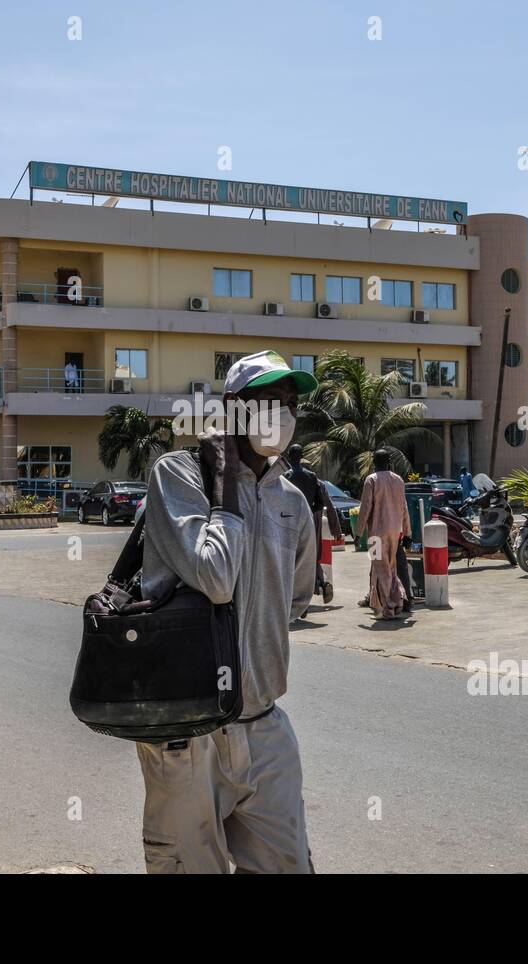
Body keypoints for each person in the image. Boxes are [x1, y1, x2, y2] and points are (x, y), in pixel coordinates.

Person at [136, 350, 318, 873]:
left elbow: (295, 601)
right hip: (188, 733)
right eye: (267, 400)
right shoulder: (178, 476)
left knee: (288, 864)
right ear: (233, 408)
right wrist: (228, 488)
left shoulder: (291, 501)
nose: (281, 413)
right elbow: (216, 579)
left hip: (264, 726)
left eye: (290, 402)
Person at [358, 449, 411, 620]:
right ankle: (396, 602)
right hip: (395, 532)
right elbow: (404, 508)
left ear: (374, 462)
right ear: (389, 462)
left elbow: (365, 507)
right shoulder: (398, 480)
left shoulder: (371, 480)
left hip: (376, 533)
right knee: (391, 568)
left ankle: (389, 607)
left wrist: (358, 532)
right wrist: (408, 532)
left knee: (380, 569)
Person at [284, 443, 339, 605]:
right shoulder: (312, 476)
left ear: (289, 456)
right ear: (301, 457)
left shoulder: (285, 476)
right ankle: (312, 590)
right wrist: (309, 511)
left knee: (290, 560)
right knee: (307, 558)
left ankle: (296, 596)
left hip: (288, 522)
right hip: (308, 522)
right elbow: (322, 503)